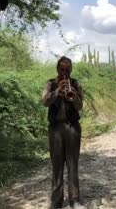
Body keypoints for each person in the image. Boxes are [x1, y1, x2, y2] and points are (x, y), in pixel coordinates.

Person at [42, 56, 85, 209]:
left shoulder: (76, 83)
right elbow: (45, 101)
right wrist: (57, 92)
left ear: (71, 69)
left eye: (67, 70)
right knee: (57, 166)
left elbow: (80, 107)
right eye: (62, 69)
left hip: (72, 128)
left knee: (73, 165)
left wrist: (73, 95)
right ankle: (56, 201)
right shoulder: (50, 83)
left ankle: (74, 200)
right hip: (56, 129)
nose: (65, 73)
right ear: (57, 69)